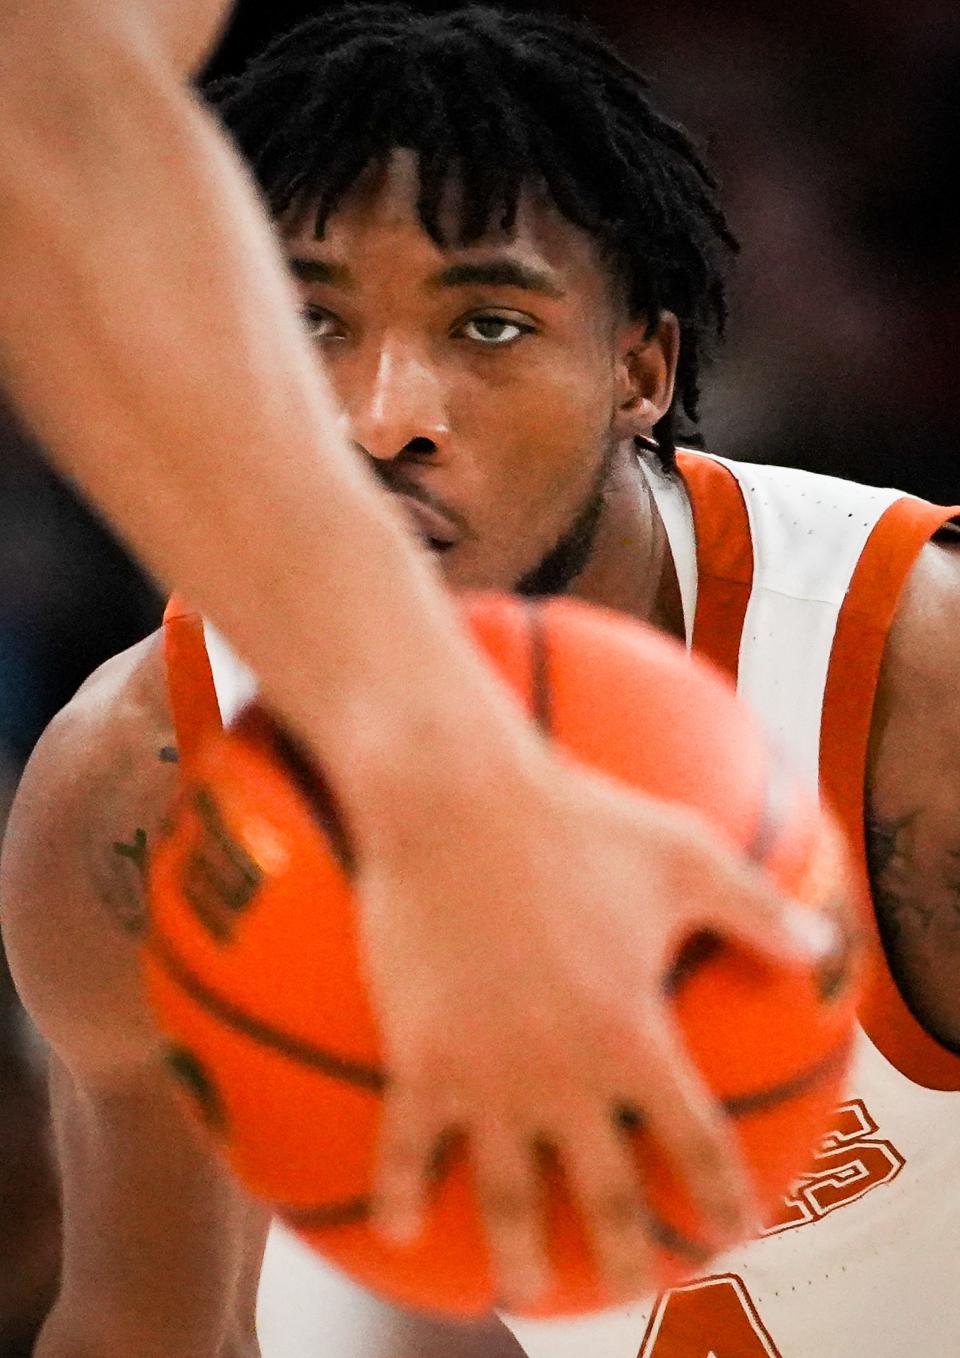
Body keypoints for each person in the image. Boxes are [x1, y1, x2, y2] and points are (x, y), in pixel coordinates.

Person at [1, 3, 957, 1355]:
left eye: (491, 325)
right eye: (312, 322)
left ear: (643, 366)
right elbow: (143, 1326)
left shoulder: (922, 683)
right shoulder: (138, 790)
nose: (389, 414)